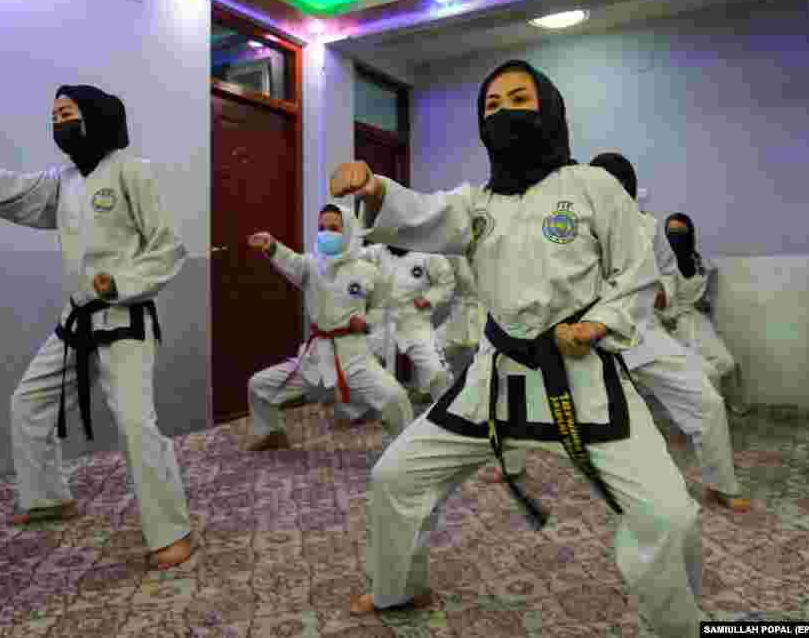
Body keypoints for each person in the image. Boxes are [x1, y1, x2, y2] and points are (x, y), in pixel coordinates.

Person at [330, 60, 704, 637]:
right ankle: (397, 586)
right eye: (492, 106)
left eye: (518, 99)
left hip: (581, 376)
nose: (504, 112)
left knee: (669, 516)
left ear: (548, 108)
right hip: (494, 379)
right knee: (395, 477)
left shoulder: (593, 188)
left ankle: (675, 628)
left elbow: (635, 274)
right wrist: (375, 188)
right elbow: (420, 214)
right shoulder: (477, 204)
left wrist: (598, 325)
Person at [0, 84, 194, 570]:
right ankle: (47, 497)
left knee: (135, 425)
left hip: (124, 319)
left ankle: (172, 530)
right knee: (29, 401)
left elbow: (168, 249)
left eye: (67, 113)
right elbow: (15, 192)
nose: (58, 123)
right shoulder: (62, 181)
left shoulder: (133, 171)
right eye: (54, 116)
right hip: (77, 318)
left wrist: (120, 281)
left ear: (97, 116)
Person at [488, 153, 750, 512]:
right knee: (521, 385)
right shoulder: (567, 224)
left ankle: (721, 483)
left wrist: (663, 294)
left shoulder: (648, 226)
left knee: (705, 399)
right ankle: (511, 464)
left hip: (642, 331)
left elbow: (669, 274)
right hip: (580, 336)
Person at [245, 203, 414, 452]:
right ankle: (272, 432)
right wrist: (271, 246)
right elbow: (290, 261)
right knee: (258, 386)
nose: (326, 233)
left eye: (334, 228)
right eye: (322, 228)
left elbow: (384, 307)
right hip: (316, 356)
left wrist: (366, 322)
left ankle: (405, 450)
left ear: (347, 231)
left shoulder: (367, 271)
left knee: (395, 397)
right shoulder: (311, 266)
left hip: (354, 356)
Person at [657, 212, 745, 414]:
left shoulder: (699, 262)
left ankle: (729, 407)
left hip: (697, 321)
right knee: (706, 373)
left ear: (690, 234)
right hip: (672, 326)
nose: (676, 238)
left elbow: (706, 291)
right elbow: (654, 302)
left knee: (727, 363)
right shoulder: (662, 264)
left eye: (681, 233)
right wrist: (663, 320)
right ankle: (708, 415)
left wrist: (705, 304)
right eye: (671, 233)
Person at [360, 244, 454, 404]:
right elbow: (350, 268)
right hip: (380, 322)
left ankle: (444, 413)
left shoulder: (427, 254)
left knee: (438, 372)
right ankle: (369, 414)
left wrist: (429, 298)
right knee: (359, 370)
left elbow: (446, 281)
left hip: (414, 322)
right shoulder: (373, 253)